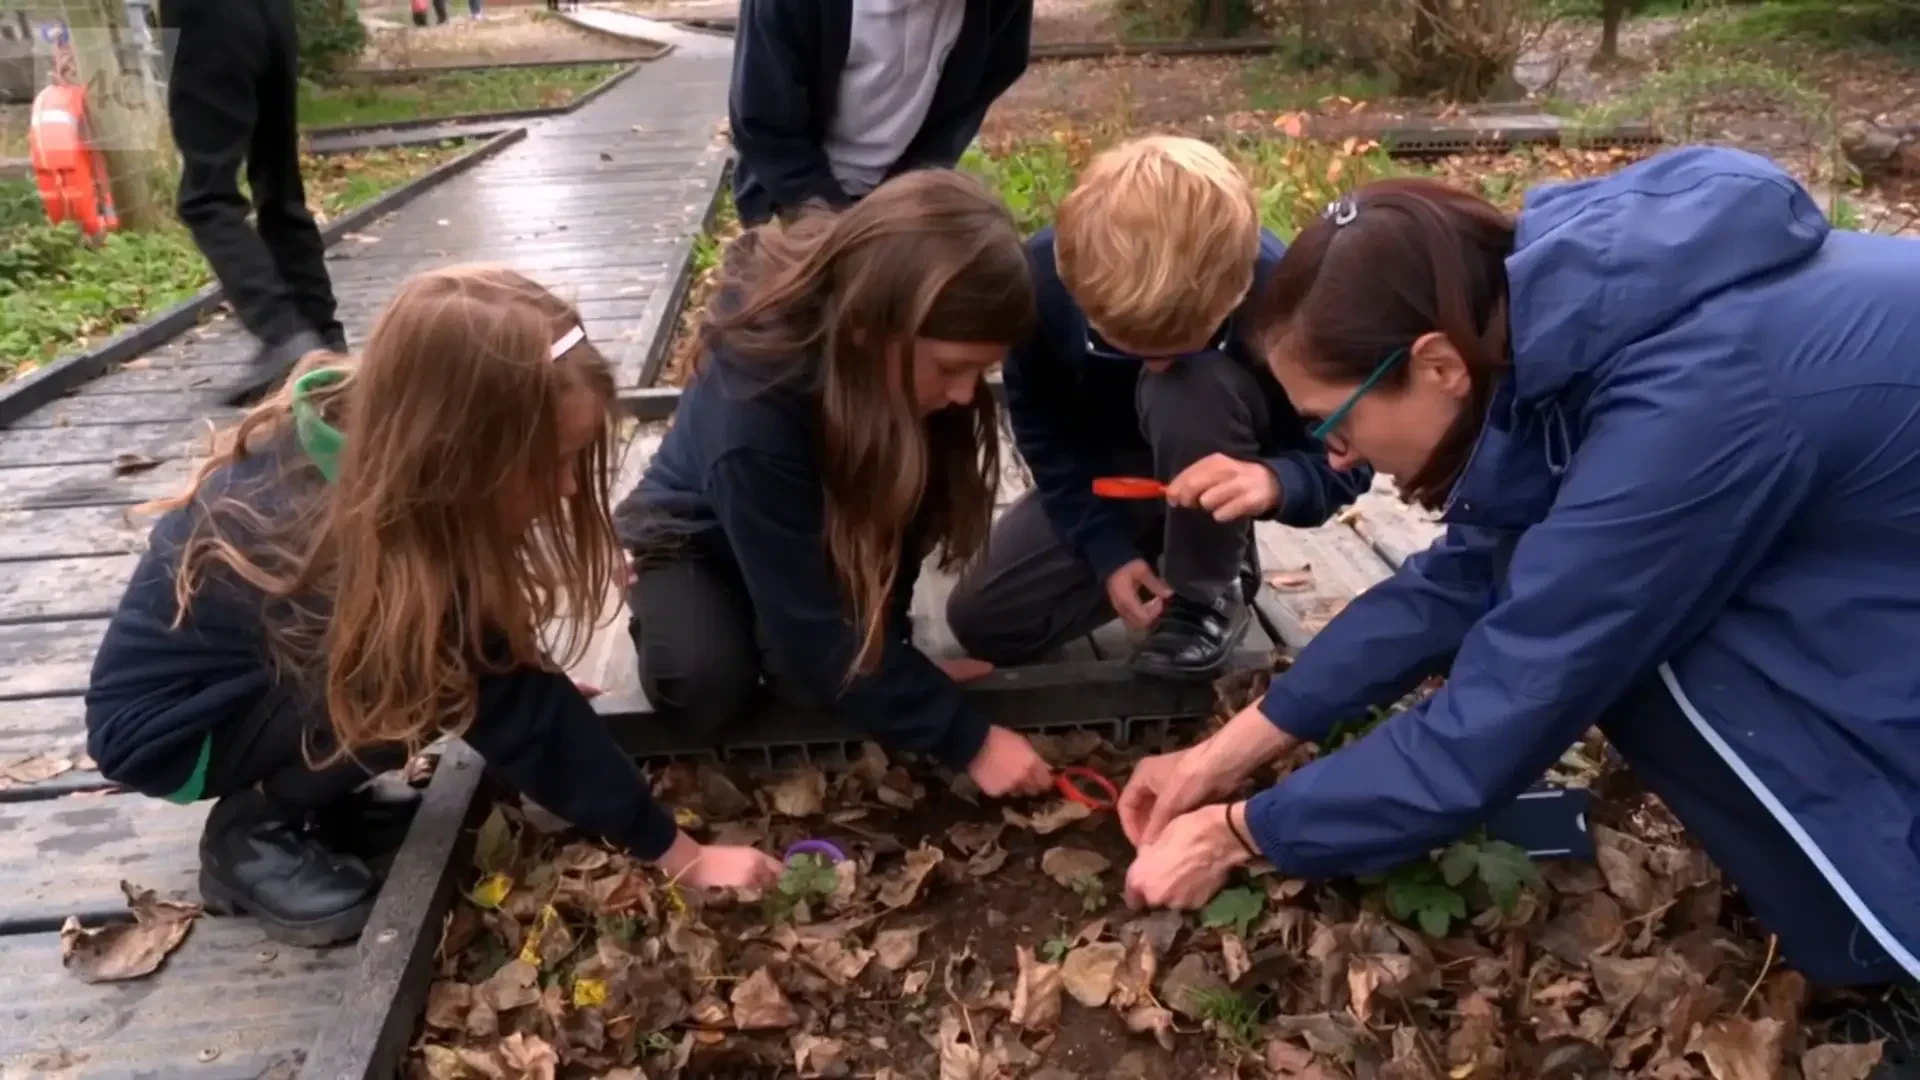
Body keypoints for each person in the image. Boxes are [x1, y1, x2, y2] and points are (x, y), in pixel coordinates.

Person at [1115, 147, 1920, 1058]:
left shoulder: (1691, 403)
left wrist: (1237, 836)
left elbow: (1499, 714)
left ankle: (1896, 953)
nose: (1334, 458)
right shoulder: (1561, 328)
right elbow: (1468, 575)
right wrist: (1222, 758)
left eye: (1331, 422)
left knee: (1656, 653)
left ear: (1436, 366)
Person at [84, 266, 783, 947]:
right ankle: (253, 831)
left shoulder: (380, 454)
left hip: (249, 691)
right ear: (457, 450)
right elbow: (508, 702)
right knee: (430, 670)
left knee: (439, 663)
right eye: (554, 461)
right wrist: (679, 855)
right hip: (178, 736)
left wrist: (515, 675)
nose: (571, 486)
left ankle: (315, 797)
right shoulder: (330, 536)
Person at [615, 169, 1054, 799]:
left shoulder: (902, 373)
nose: (965, 395)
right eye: (954, 369)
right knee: (705, 685)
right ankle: (677, 601)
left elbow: (903, 525)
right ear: (870, 327)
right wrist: (970, 738)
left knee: (819, 682)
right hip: (699, 540)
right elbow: (816, 637)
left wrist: (895, 654)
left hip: (811, 530)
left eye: (980, 370)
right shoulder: (753, 404)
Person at [946, 136, 1370, 681]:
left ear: (1238, 291)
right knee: (986, 620)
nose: (1158, 363)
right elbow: (1045, 432)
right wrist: (1108, 552)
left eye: (1182, 345)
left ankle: (1207, 589)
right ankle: (1167, 545)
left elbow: (1351, 458)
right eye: (1127, 346)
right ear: (1078, 292)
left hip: (1225, 442)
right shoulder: (1041, 285)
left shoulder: (1289, 298)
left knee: (1184, 389)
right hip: (1119, 473)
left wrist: (1275, 480)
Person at [163, 0, 348, 406]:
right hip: (273, 14)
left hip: (205, 20)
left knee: (205, 196)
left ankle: (286, 333)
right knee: (279, 184)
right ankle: (324, 337)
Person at [727, 0, 1033, 228]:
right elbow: (764, 124)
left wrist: (911, 185)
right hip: (788, 193)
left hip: (901, 189)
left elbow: (988, 77)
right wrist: (833, 221)